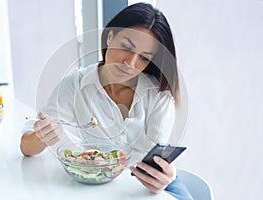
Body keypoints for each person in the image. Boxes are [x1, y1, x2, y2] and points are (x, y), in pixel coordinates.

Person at [20, 2, 193, 199]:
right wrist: (43, 135)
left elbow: (156, 160)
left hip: (150, 185)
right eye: (126, 47)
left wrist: (163, 177)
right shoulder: (76, 85)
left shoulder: (159, 94)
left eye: (144, 58)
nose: (130, 63)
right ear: (110, 37)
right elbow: (26, 147)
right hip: (102, 184)